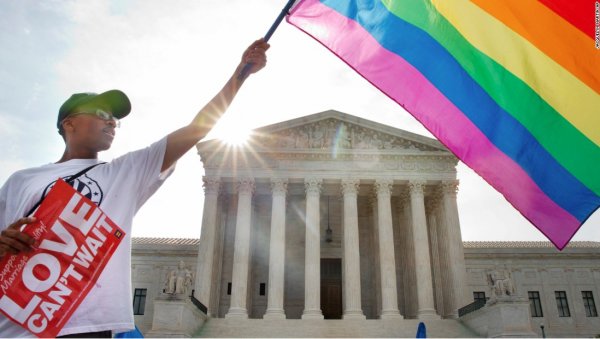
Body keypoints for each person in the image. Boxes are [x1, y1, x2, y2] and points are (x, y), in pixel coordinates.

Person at [0, 38, 269, 338]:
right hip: (15, 325)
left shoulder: (124, 174)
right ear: (69, 124)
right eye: (102, 114)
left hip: (86, 326)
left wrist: (240, 74)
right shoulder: (21, 181)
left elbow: (196, 129)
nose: (112, 123)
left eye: (115, 119)